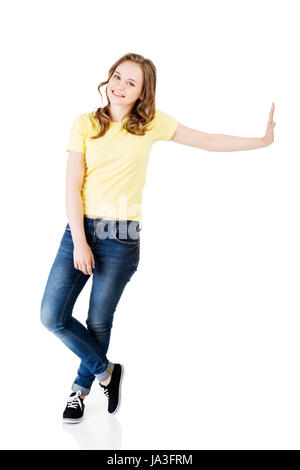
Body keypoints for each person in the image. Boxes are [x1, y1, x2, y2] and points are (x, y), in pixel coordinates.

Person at [40, 52, 276, 424]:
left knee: (98, 321)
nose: (119, 86)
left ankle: (79, 391)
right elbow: (71, 186)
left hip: (122, 238)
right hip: (80, 231)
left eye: (131, 82)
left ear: (143, 92)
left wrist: (261, 141)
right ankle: (107, 373)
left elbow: (209, 140)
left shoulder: (151, 123)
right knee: (52, 316)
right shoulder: (85, 124)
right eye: (117, 76)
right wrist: (81, 242)